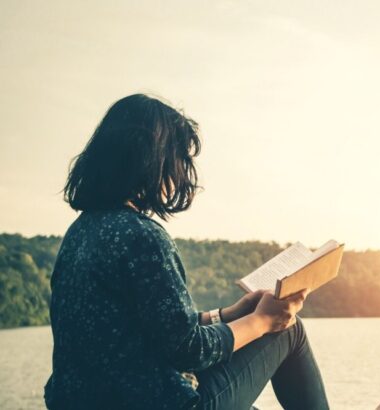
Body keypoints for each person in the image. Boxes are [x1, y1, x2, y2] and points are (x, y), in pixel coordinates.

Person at [43, 93, 330, 410]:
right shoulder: (142, 237)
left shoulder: (80, 232)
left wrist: (227, 315)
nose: (182, 170)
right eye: (179, 158)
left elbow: (154, 328)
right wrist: (263, 321)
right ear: (153, 159)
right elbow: (188, 349)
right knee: (290, 331)